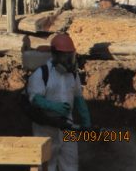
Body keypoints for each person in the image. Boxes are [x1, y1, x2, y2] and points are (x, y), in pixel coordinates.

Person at [27, 33, 91, 171]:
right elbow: (34, 98)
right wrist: (54, 107)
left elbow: (78, 98)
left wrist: (86, 121)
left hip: (67, 127)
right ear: (55, 55)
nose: (69, 61)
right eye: (65, 57)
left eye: (71, 57)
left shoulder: (73, 74)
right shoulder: (42, 74)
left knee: (70, 165)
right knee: (46, 165)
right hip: (45, 129)